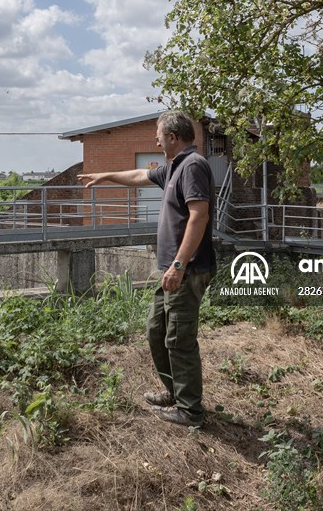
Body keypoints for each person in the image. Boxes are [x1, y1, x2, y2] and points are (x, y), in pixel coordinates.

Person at [78, 111, 215, 426]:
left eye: (158, 135)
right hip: (172, 269)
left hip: (187, 269)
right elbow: (140, 175)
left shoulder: (193, 166)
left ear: (171, 137)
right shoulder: (173, 168)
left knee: (179, 338)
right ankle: (175, 392)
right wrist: (105, 176)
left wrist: (179, 264)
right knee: (157, 330)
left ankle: (191, 411)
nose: (155, 140)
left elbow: (199, 216)